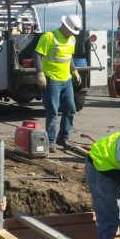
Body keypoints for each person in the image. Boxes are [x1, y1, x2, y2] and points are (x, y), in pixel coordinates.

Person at [34, 14, 83, 153]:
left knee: (70, 109)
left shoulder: (72, 39)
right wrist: (40, 74)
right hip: (52, 80)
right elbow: (37, 55)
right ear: (65, 26)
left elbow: (69, 58)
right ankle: (50, 142)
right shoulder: (49, 37)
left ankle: (63, 138)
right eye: (71, 30)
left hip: (66, 80)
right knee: (53, 112)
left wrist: (75, 72)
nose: (73, 34)